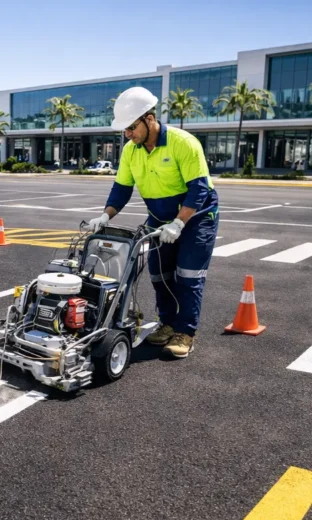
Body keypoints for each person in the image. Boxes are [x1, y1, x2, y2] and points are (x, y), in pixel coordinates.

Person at [87, 86, 219, 359]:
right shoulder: (131, 151)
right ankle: (168, 323)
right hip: (160, 219)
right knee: (160, 274)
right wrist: (105, 216)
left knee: (188, 276)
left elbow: (198, 189)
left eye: (131, 127)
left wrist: (180, 223)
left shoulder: (183, 143)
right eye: (124, 130)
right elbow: (122, 189)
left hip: (196, 218)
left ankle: (185, 332)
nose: (128, 134)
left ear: (149, 119)